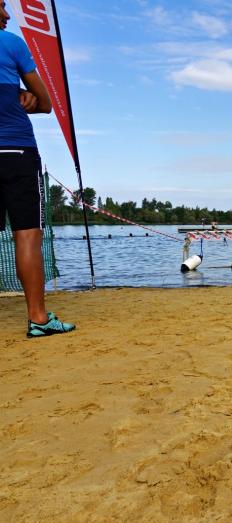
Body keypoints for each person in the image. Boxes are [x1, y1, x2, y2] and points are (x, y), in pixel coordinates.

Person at [1, 2, 75, 337]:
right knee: (28, 235)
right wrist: (23, 96)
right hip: (16, 150)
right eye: (1, 7)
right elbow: (45, 103)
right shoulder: (11, 43)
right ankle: (38, 319)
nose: (7, 15)